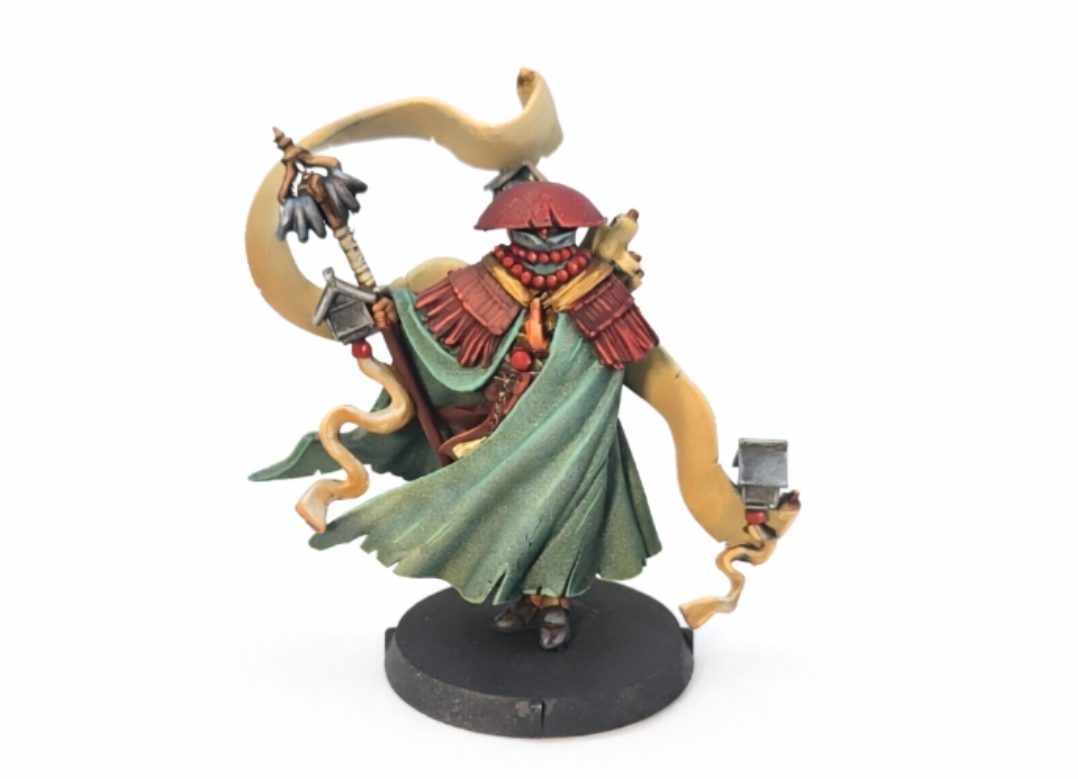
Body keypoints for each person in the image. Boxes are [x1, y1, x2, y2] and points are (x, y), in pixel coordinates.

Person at [253, 181, 661, 650]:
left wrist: (568, 408)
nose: (545, 237)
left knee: (562, 512)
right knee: (505, 511)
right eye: (533, 230)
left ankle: (554, 602)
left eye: (556, 231)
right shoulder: (489, 280)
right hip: (504, 421)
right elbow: (437, 330)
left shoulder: (598, 291)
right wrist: (397, 310)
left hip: (572, 434)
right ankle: (520, 595)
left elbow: (607, 372)